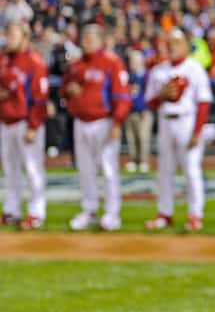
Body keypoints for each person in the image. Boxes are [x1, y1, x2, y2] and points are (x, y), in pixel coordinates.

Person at [61, 24, 132, 231]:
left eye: (90, 39)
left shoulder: (112, 62)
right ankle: (89, 210)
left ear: (101, 40)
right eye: (84, 39)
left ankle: (112, 213)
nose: (86, 42)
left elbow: (122, 96)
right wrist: (69, 90)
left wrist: (118, 122)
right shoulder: (76, 64)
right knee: (85, 169)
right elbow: (63, 91)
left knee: (109, 169)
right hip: (81, 121)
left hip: (104, 122)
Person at [144, 28, 213, 232]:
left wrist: (197, 131)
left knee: (191, 170)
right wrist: (161, 96)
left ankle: (195, 215)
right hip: (165, 121)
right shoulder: (159, 71)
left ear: (185, 45)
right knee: (165, 170)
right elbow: (149, 102)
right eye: (169, 43)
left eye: (176, 43)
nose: (172, 47)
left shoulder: (195, 69)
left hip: (187, 121)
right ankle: (165, 213)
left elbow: (204, 102)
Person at [0, 22, 49, 230]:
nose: (8, 38)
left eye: (13, 35)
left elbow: (40, 98)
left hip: (25, 122)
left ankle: (36, 212)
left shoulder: (34, 62)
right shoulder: (4, 60)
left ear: (24, 38)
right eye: (8, 34)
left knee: (32, 169)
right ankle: (12, 210)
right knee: (10, 170)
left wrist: (34, 125)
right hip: (6, 121)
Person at [125, 49, 153, 174]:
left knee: (143, 137)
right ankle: (133, 159)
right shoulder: (128, 76)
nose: (132, 64)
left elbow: (150, 94)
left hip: (143, 111)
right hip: (130, 110)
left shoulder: (147, 76)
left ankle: (143, 161)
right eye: (131, 61)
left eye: (135, 61)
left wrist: (147, 108)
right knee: (131, 137)